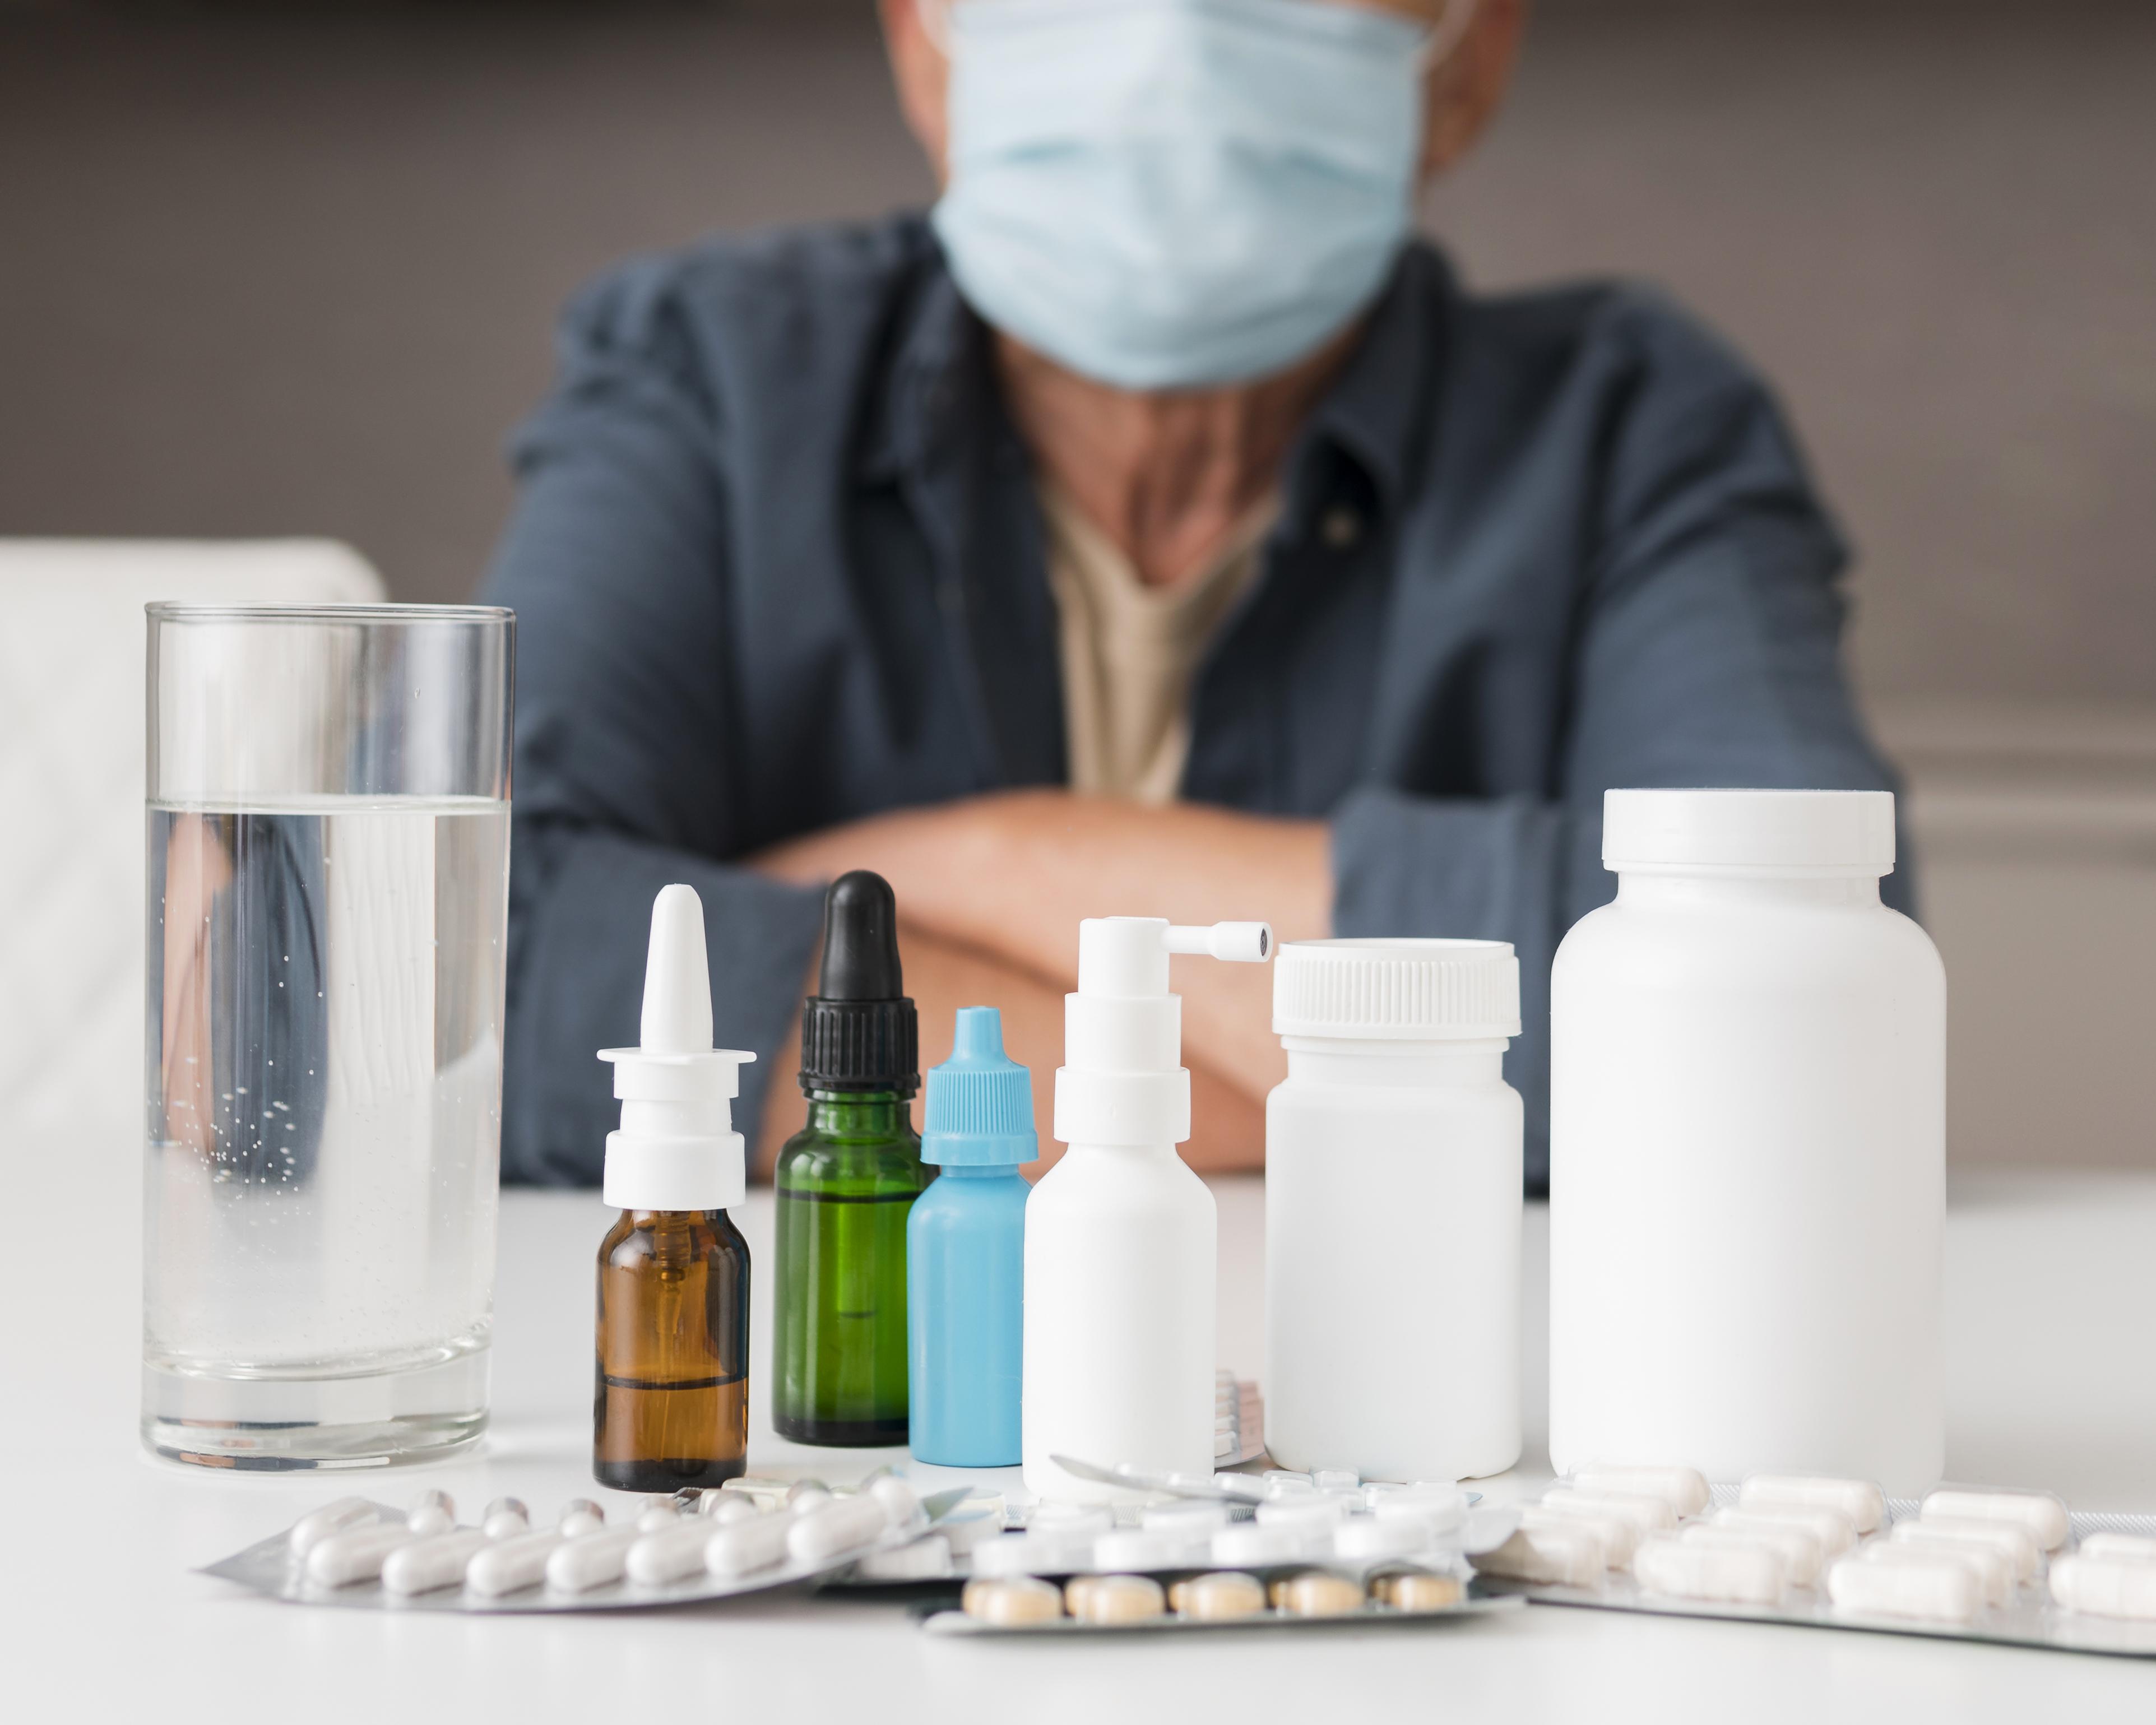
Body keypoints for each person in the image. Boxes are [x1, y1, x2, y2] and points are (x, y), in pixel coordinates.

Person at [483, 0, 1906, 1192]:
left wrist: (982, 864)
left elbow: (1788, 978)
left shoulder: (1632, 427)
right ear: (926, 47)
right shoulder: (709, 380)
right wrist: (1323, 1116)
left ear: (1465, 64)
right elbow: (468, 954)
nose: (1169, 36)